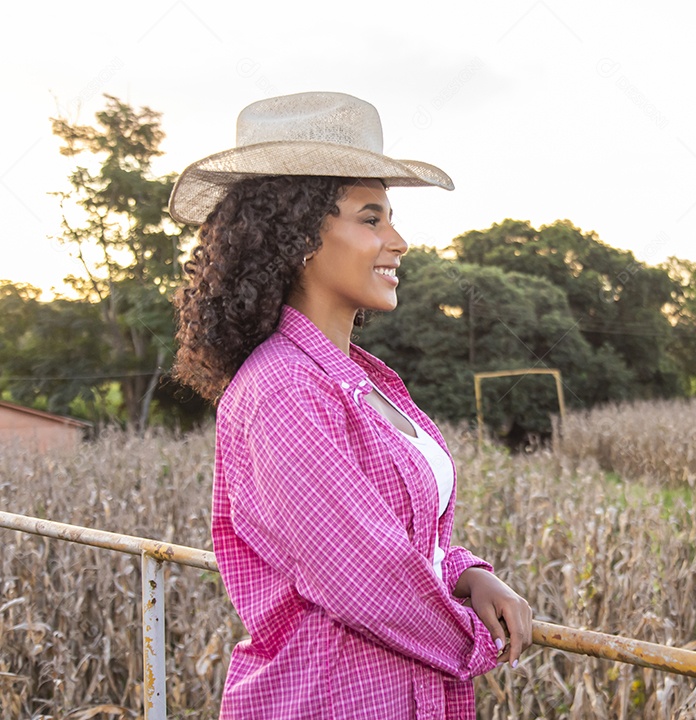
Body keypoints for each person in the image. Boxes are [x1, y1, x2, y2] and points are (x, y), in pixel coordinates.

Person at [169, 91, 532, 719]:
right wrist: (479, 640)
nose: (399, 240)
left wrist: (468, 575)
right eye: (371, 218)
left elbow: (409, 535)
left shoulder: (361, 380)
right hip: (328, 699)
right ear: (299, 237)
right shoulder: (284, 389)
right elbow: (364, 575)